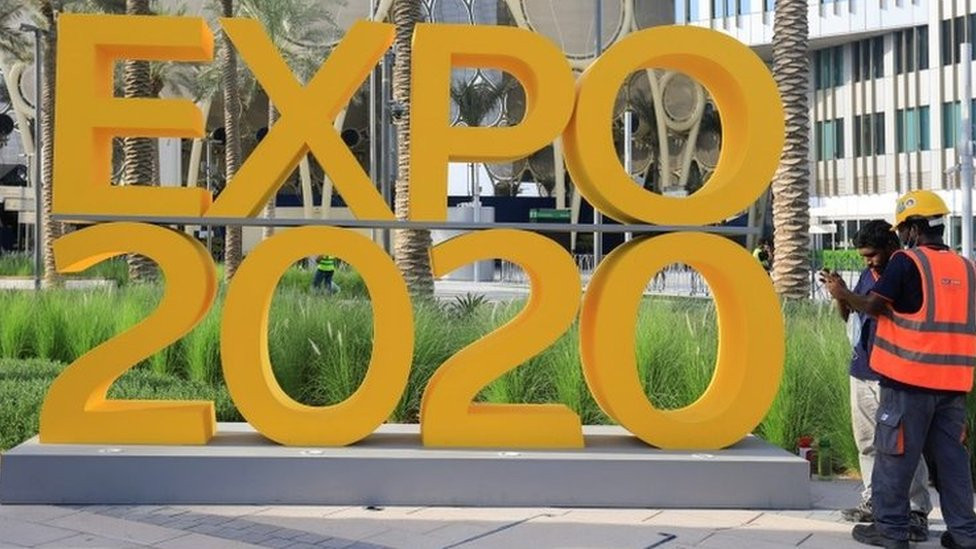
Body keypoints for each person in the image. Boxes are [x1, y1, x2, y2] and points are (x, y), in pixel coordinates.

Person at [823, 190, 976, 549]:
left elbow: (875, 307)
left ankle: (890, 530)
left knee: (893, 457)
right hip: (952, 386)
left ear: (914, 227)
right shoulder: (966, 267)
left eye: (904, 228)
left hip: (908, 380)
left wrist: (843, 294)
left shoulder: (907, 262)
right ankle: (966, 534)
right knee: (952, 462)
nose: (902, 235)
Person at [827, 220, 931, 536]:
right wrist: (839, 296)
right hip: (862, 368)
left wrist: (846, 293)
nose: (868, 261)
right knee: (868, 442)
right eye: (863, 256)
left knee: (903, 444)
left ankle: (915, 509)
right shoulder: (867, 273)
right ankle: (875, 501)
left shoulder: (901, 269)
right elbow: (854, 315)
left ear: (889, 247)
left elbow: (876, 309)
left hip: (893, 373)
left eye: (871, 255)